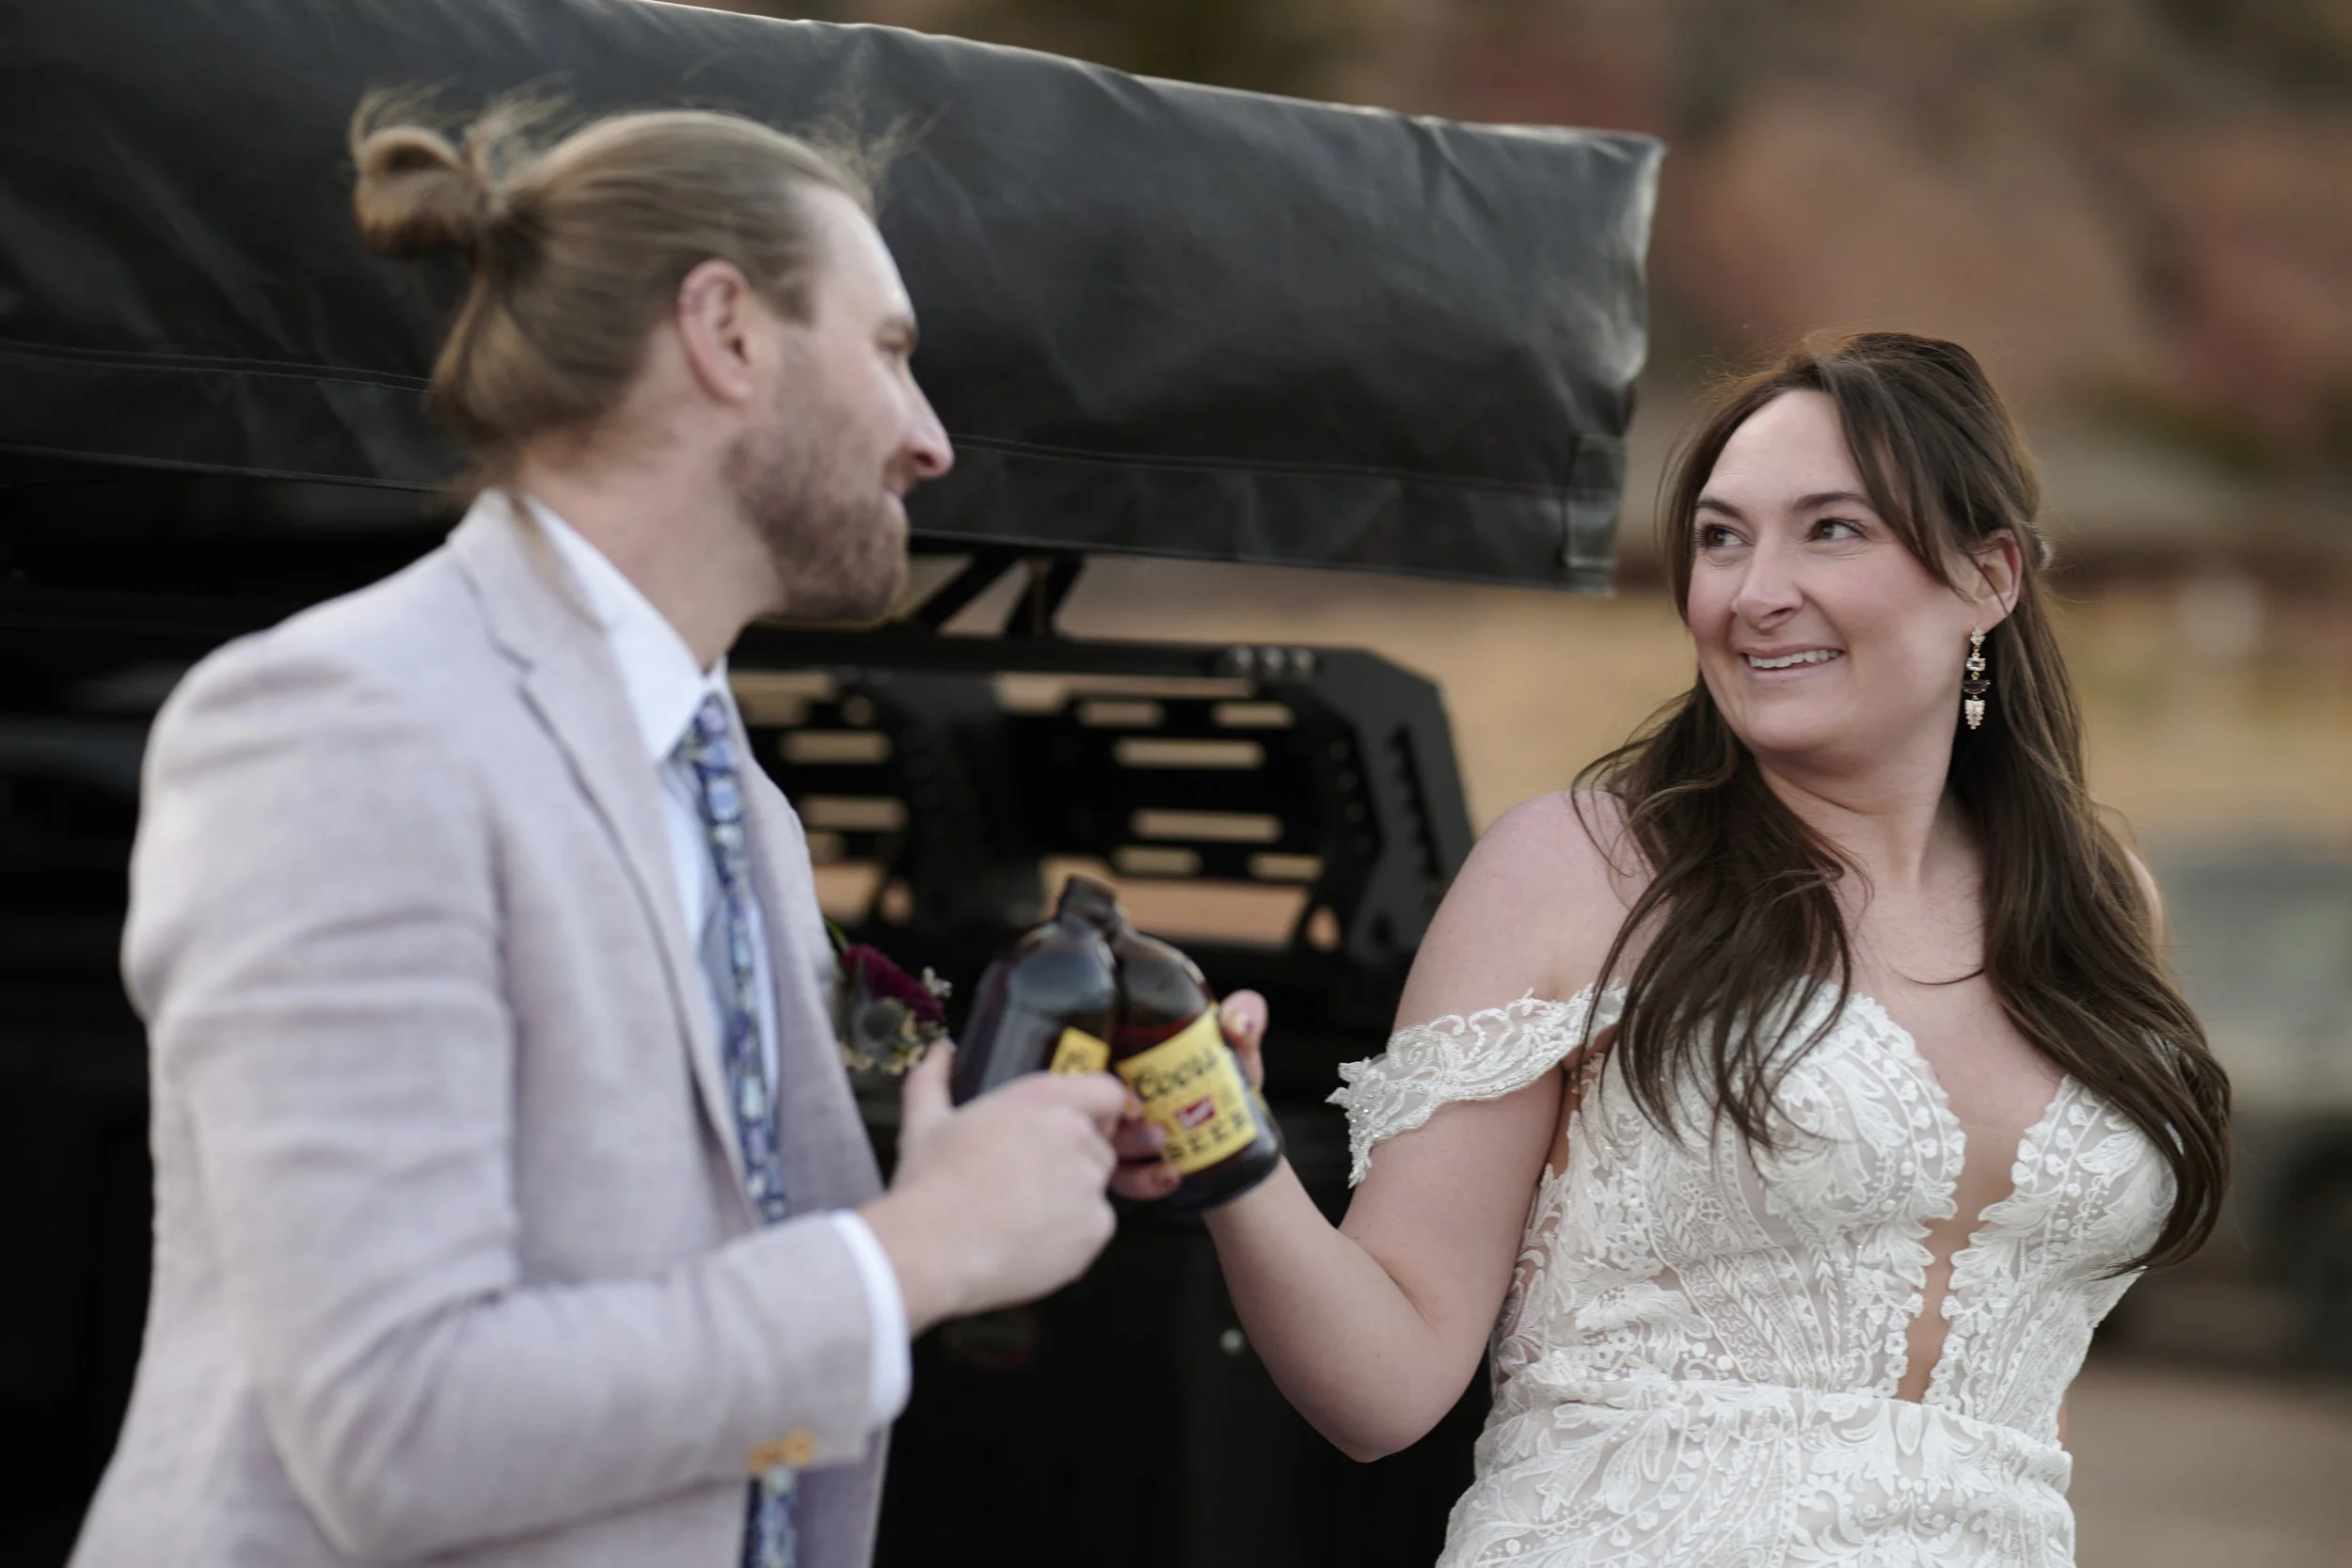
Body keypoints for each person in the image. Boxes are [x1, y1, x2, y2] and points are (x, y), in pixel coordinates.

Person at [70, 100, 1131, 1568]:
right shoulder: (347, 727)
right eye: (889, 351)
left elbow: (681, 1261)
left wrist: (967, 1178)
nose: (931, 440)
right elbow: (402, 1423)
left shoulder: (732, 793)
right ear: (727, 330)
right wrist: (915, 1250)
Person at [1129, 332, 2233, 1565]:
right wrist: (1221, 1141)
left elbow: (2025, 1391)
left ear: (1989, 578)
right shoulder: (1576, 870)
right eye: (1720, 536)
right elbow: (1382, 1382)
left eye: (1831, 529)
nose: (1752, 591)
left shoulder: (2100, 901)